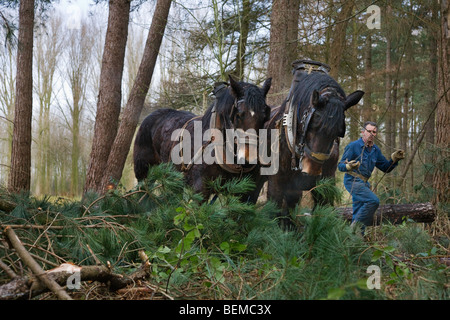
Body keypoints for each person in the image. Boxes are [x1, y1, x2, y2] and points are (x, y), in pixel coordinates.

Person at [338, 121, 405, 234]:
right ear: (363, 132)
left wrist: (394, 160)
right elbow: (340, 166)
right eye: (369, 131)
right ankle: (353, 229)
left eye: (374, 132)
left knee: (359, 210)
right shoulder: (353, 146)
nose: (371, 134)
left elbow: (385, 168)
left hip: (364, 183)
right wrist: (348, 166)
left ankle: (356, 239)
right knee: (373, 201)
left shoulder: (375, 150)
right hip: (352, 180)